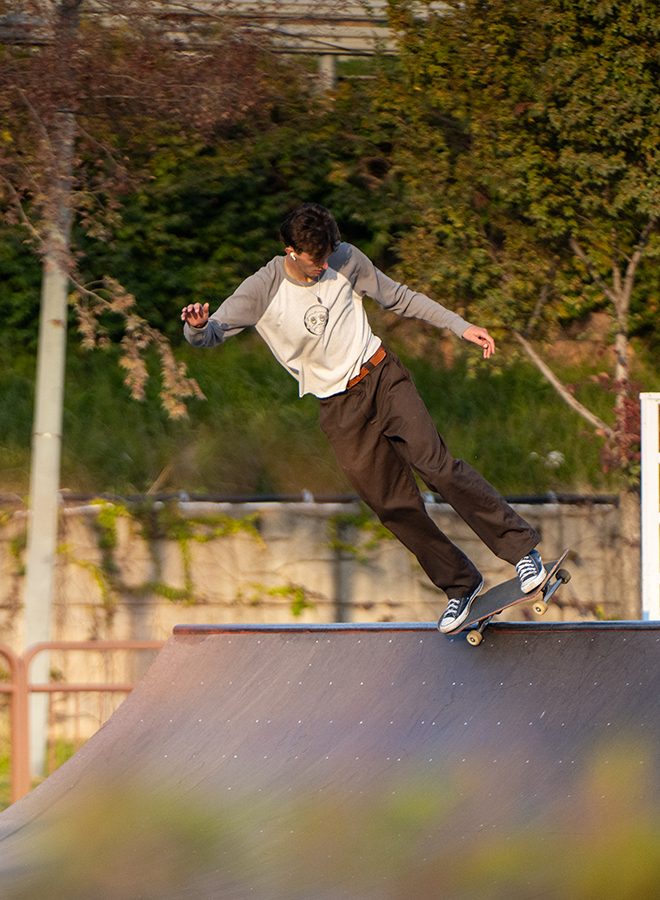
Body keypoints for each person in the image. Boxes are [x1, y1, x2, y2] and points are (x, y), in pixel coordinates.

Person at [181, 203, 545, 633]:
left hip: (382, 377)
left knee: (437, 466)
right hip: (338, 408)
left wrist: (458, 325)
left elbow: (399, 296)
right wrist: (196, 327)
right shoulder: (261, 290)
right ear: (291, 250)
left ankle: (522, 551)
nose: (322, 268)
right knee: (391, 504)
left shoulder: (346, 258)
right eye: (315, 263)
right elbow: (214, 332)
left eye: (327, 258)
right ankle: (460, 586)